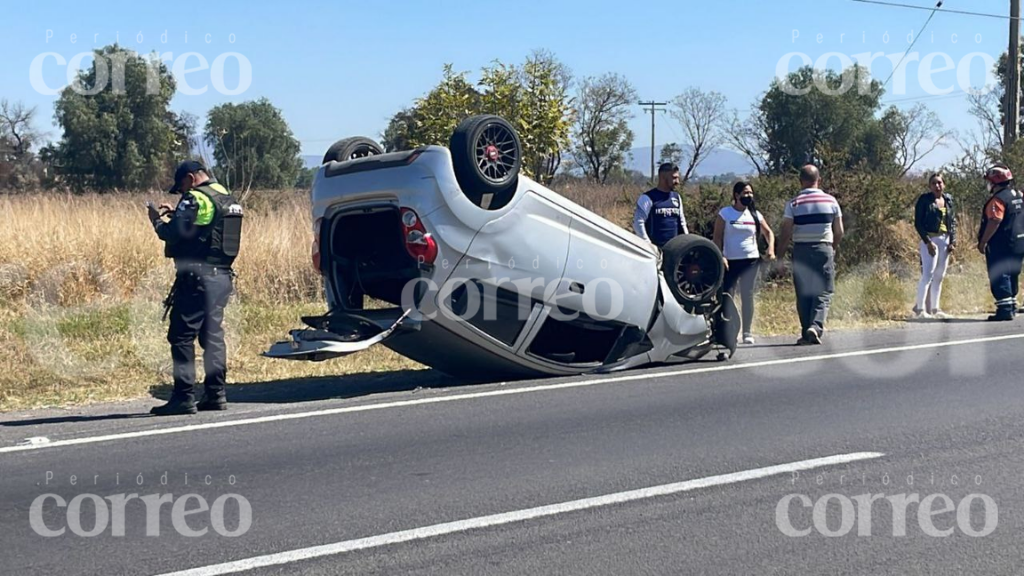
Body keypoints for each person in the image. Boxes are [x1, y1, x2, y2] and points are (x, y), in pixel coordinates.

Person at [147, 160, 243, 415]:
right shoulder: (227, 197)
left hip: (197, 279)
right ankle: (216, 394)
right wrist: (177, 211)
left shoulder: (195, 198)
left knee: (181, 336)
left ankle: (183, 397)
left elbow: (172, 234)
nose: (181, 193)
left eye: (180, 187)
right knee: (212, 336)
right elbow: (203, 229)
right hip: (221, 277)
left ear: (190, 178)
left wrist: (156, 220)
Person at [776, 165, 844, 345]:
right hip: (823, 248)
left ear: (800, 181)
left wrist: (780, 257)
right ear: (818, 180)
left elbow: (785, 233)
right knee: (824, 291)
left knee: (804, 292)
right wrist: (833, 248)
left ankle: (806, 330)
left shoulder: (793, 203)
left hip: (801, 250)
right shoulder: (831, 201)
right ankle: (815, 326)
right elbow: (839, 231)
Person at [713, 181, 776, 344]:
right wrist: (721, 256)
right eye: (745, 193)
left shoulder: (754, 215)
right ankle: (728, 330)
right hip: (730, 261)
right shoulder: (725, 213)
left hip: (751, 260)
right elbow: (717, 237)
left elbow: (769, 232)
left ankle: (747, 332)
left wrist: (771, 249)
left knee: (747, 296)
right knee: (727, 296)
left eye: (751, 193)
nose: (749, 196)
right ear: (736, 195)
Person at [977, 164, 1024, 322]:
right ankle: (1011, 305)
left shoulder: (998, 200)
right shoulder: (1019, 195)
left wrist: (984, 241)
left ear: (995, 182)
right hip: (1018, 243)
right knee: (1013, 273)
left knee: (1000, 273)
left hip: (1001, 244)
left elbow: (994, 220)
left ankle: (1004, 309)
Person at [912, 173, 956, 319]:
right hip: (930, 239)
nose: (937, 186)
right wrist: (927, 242)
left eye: (939, 183)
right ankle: (920, 309)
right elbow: (918, 223)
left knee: (939, 275)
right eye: (934, 183)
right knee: (927, 275)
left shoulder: (948, 200)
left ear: (944, 184)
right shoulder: (924, 200)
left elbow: (952, 221)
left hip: (945, 239)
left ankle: (935, 308)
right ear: (929, 186)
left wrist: (952, 241)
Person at [633, 163, 688, 247]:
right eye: (674, 178)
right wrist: (648, 245)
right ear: (663, 177)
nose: (677, 182)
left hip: (674, 250)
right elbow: (638, 223)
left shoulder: (676, 197)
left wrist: (687, 242)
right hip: (655, 250)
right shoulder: (647, 198)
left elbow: (682, 222)